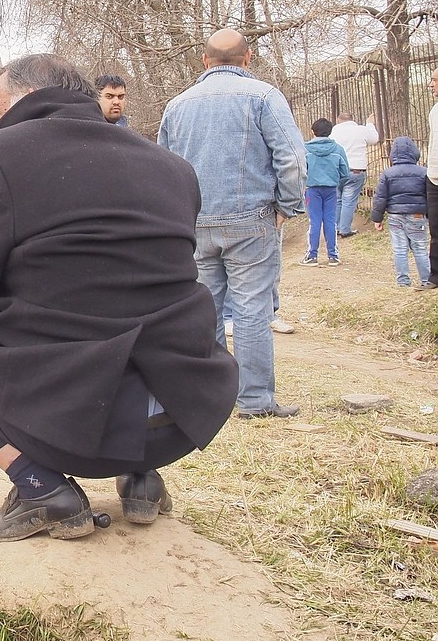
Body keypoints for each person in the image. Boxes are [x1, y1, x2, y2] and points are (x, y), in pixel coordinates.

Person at [0, 54, 238, 543]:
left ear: (28, 99)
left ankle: (40, 488)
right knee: (136, 305)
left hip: (78, 432)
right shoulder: (173, 167)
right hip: (182, 418)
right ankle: (143, 483)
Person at [158, 28, 305, 419]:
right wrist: (286, 206)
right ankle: (254, 400)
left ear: (204, 61)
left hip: (196, 222)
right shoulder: (264, 97)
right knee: (253, 309)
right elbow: (291, 157)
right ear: (249, 58)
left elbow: (164, 167)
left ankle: (213, 399)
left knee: (207, 309)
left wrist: (178, 216)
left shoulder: (177, 105)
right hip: (251, 220)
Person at [370, 137, 430, 289]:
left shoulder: (388, 174)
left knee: (399, 249)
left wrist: (377, 218)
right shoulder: (424, 172)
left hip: (395, 215)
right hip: (417, 215)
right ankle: (426, 279)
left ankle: (403, 281)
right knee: (420, 248)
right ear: (415, 153)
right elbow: (430, 196)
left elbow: (380, 197)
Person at [300, 118, 350, 266]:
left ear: (312, 131)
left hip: (312, 189)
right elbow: (345, 172)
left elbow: (300, 169)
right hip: (331, 189)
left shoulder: (305, 149)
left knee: (314, 222)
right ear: (330, 132)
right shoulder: (338, 149)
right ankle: (333, 256)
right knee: (330, 221)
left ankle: (312, 256)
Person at [331, 113, 379, 237]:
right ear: (353, 120)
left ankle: (334, 228)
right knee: (349, 201)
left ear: (338, 120)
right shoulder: (360, 130)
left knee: (337, 200)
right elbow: (374, 139)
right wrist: (370, 123)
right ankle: (345, 230)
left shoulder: (333, 133)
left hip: (336, 171)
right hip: (355, 171)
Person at [426, 68, 438, 286]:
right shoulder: (434, 110)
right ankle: (435, 275)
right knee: (435, 229)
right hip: (434, 177)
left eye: (435, 80)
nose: (431, 85)